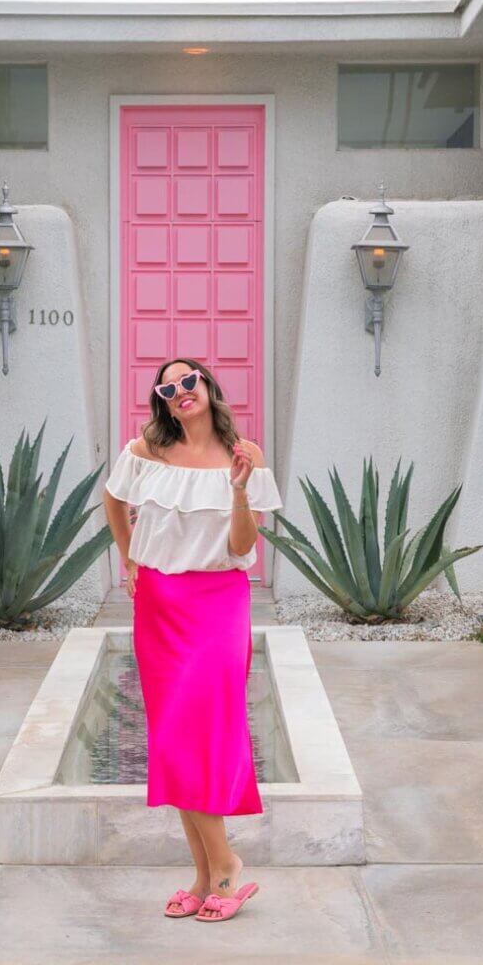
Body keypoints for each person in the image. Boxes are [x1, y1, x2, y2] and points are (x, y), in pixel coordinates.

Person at [103, 357, 283, 924]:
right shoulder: (143, 452)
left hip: (218, 602)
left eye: (189, 380)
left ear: (207, 386)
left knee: (197, 726)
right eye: (168, 386)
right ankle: (204, 875)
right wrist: (128, 555)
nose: (181, 391)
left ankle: (227, 863)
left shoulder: (245, 456)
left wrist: (237, 490)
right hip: (158, 602)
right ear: (161, 398)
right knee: (171, 733)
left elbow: (241, 544)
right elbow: (113, 500)